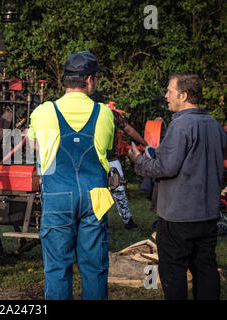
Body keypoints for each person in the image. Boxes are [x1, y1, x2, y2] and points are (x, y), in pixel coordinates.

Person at [128, 73, 225, 300]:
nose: (166, 95)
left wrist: (138, 160)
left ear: (184, 95)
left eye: (170, 91)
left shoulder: (180, 126)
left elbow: (165, 168)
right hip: (208, 215)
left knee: (174, 272)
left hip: (178, 217)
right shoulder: (215, 125)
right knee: (205, 269)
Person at [27, 51, 114, 300]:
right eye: (96, 77)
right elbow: (105, 147)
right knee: (95, 268)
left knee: (57, 269)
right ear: (88, 80)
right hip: (95, 196)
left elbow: (34, 144)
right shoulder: (104, 113)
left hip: (58, 196)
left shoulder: (43, 112)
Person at [106, 102, 149, 230]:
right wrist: (145, 144)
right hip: (106, 160)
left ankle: (128, 221)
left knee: (118, 191)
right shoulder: (111, 115)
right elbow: (128, 129)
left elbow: (128, 129)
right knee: (117, 192)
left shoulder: (110, 115)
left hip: (105, 160)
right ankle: (128, 222)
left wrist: (145, 143)